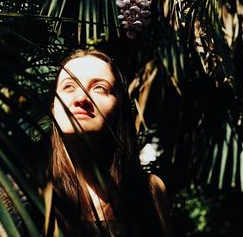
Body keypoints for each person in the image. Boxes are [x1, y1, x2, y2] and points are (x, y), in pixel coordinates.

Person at [48, 49, 172, 236]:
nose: (81, 98)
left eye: (100, 88)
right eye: (69, 87)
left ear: (119, 108)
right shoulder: (23, 188)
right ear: (53, 107)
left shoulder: (149, 192)